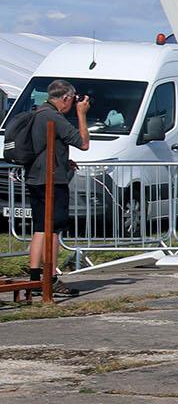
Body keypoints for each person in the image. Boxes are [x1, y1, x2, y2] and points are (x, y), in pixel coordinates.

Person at [24, 79, 90, 290]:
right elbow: (84, 143)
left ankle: (35, 277)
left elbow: (44, 146)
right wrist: (81, 113)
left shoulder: (37, 113)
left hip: (36, 177)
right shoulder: (54, 117)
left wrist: (62, 160)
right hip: (52, 181)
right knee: (53, 228)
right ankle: (50, 278)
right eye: (72, 100)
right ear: (65, 98)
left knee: (40, 228)